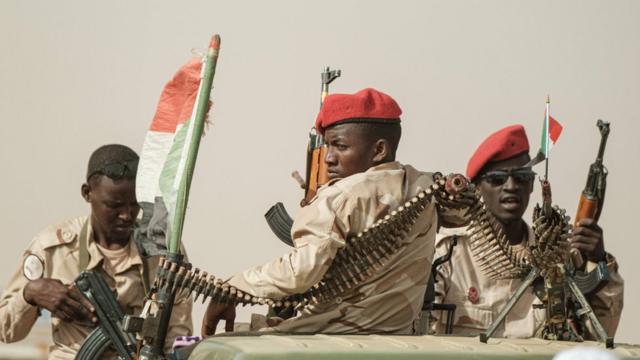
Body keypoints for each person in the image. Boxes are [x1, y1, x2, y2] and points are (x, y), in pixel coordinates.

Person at [202, 88, 447, 336]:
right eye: (328, 146)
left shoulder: (342, 196)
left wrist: (233, 288)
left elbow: (301, 272)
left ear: (379, 150)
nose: (329, 158)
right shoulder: (424, 188)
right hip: (396, 336)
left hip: (329, 334)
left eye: (340, 146)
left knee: (204, 349)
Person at [0, 144, 193, 359]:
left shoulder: (162, 252)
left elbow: (178, 334)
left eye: (134, 204)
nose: (126, 215)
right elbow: (5, 330)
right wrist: (31, 293)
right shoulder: (52, 249)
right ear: (87, 193)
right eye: (114, 205)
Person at [432, 125, 623, 338]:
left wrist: (599, 262)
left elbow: (600, 336)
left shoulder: (559, 255)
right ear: (477, 188)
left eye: (522, 177)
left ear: (532, 185)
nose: (511, 186)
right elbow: (423, 335)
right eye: (497, 179)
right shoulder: (449, 252)